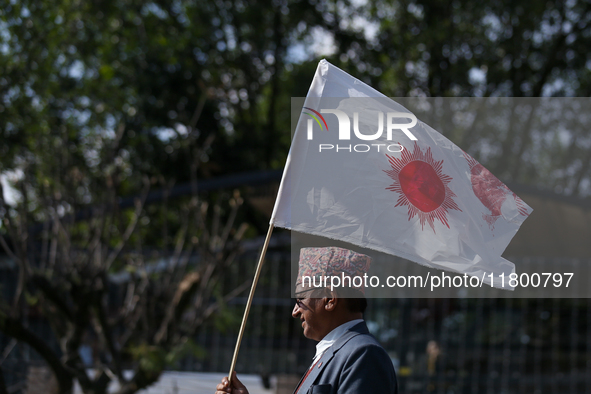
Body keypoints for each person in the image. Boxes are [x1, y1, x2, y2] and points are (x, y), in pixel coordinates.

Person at [215, 247, 398, 394]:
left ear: (329, 299)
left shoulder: (363, 355)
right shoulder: (335, 353)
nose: (295, 311)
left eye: (300, 300)